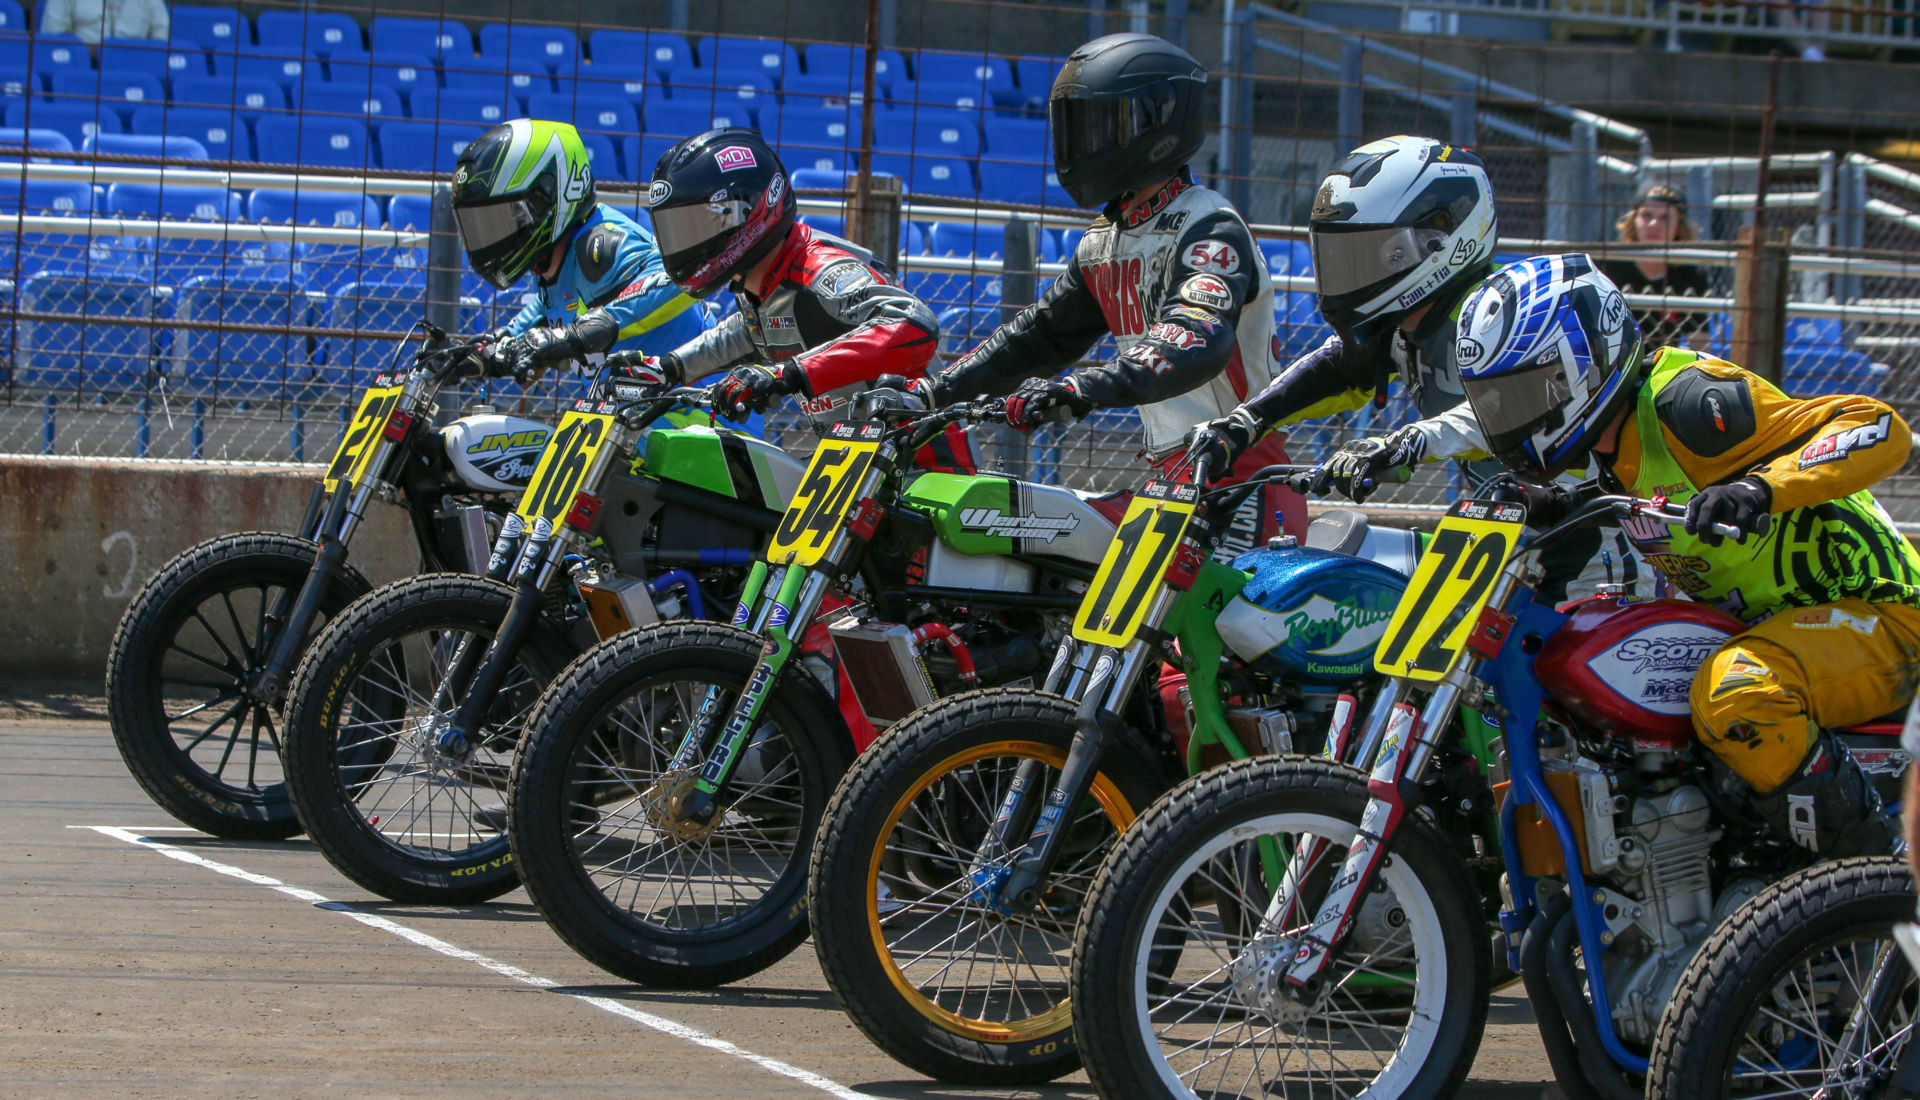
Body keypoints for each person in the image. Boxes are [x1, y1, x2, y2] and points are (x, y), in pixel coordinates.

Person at [1457, 251, 1909, 860]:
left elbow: (1879, 425)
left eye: (1522, 395)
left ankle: (1872, 886)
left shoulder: (1687, 403)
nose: (1509, 419)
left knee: (1735, 696)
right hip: (1772, 629)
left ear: (1580, 369)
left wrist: (1758, 488)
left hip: (1881, 614)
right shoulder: (1608, 449)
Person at [864, 32, 1296, 546]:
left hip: (1241, 476)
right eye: (1078, 126)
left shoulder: (1210, 226)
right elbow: (1042, 337)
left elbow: (1196, 335)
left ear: (1160, 122)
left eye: (1104, 125)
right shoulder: (1104, 241)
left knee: (1172, 626)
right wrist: (932, 395)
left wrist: (1081, 387)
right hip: (1175, 477)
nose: (1084, 142)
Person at [1183, 134, 1629, 598]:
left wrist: (1408, 442)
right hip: (1499, 543)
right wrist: (1243, 423)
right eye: (1341, 255)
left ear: (1441, 241)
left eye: (1377, 253)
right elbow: (1340, 369)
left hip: (1591, 556)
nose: (1350, 272)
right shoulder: (1405, 326)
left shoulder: (1508, 315)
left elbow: (1514, 412)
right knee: (1327, 584)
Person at [636, 126, 969, 470]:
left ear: (745, 210)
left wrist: (787, 373)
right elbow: (746, 332)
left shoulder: (820, 269)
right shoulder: (761, 283)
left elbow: (914, 323)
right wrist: (667, 368)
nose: (684, 242)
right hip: (859, 466)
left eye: (694, 225)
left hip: (926, 468)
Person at [451, 119, 710, 384]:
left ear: (546, 197)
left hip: (702, 413)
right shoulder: (554, 266)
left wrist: (588, 329)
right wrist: (475, 357)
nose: (490, 238)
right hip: (634, 417)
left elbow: (677, 278)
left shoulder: (600, 242)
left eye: (501, 219)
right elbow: (528, 328)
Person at [1600, 183, 1713, 352]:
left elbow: (1699, 342)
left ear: (1679, 226)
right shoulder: (1608, 268)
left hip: (1662, 368)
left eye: (1665, 218)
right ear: (1633, 220)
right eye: (1647, 215)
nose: (1654, 224)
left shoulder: (1690, 274)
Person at [42, 0, 168, 44]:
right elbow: (53, 35)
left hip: (135, 66)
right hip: (87, 66)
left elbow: (160, 40)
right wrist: (90, 52)